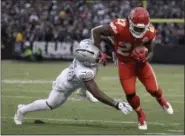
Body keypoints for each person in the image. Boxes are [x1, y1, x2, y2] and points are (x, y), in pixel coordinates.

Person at [14, 39, 132, 125]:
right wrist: (116, 104)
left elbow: (100, 36)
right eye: (97, 57)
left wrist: (115, 48)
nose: (100, 57)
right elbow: (96, 92)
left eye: (98, 54)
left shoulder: (85, 46)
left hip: (74, 77)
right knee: (50, 104)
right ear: (88, 61)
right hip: (65, 86)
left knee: (91, 76)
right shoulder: (84, 71)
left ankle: (82, 91)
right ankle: (21, 110)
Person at [91, 7, 173, 130]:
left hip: (141, 64)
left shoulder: (150, 31)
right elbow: (96, 31)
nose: (139, 30)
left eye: (142, 28)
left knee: (153, 90)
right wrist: (98, 52)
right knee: (130, 94)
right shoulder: (119, 26)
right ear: (129, 21)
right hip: (125, 64)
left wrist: (145, 57)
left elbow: (151, 51)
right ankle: (141, 114)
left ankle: (161, 100)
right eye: (137, 27)